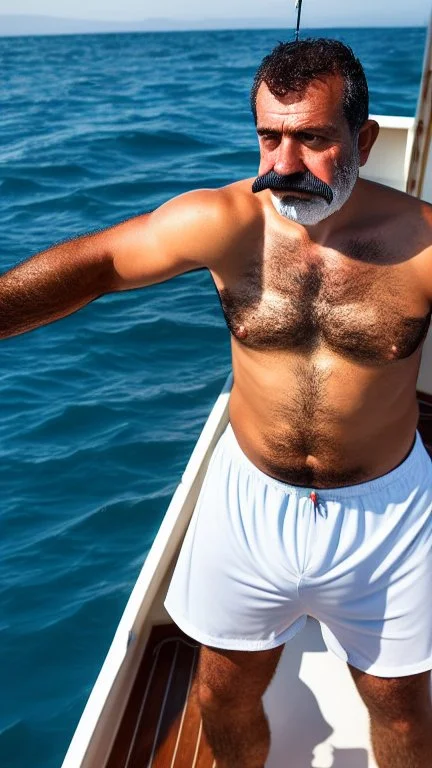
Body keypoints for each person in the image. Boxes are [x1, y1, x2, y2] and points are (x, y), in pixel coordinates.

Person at [1, 37, 432, 768]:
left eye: (314, 139)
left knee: (400, 704)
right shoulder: (226, 222)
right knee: (221, 688)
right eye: (271, 136)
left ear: (362, 138)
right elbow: (101, 263)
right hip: (247, 500)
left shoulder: (421, 244)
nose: (284, 164)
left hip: (386, 513)